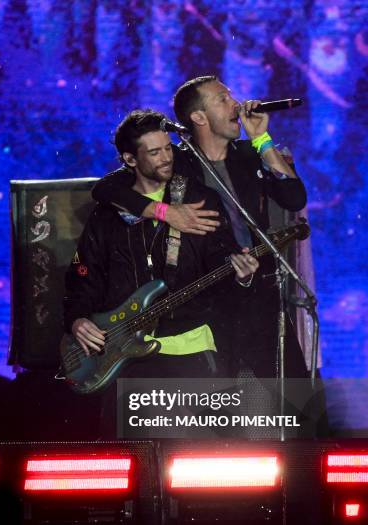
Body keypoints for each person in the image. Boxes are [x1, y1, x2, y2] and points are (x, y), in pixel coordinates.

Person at [91, 76, 308, 379]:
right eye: (223, 98)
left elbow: (294, 197)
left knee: (292, 399)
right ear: (198, 117)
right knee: (224, 404)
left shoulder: (249, 154)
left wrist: (262, 138)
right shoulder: (175, 161)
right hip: (207, 298)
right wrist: (166, 212)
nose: (236, 104)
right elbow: (106, 188)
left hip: (259, 290)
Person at [63, 110, 259, 435]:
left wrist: (242, 275)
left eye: (167, 148)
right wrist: (78, 318)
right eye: (154, 152)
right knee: (135, 454)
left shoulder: (197, 200)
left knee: (197, 456)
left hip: (191, 347)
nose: (166, 157)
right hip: (126, 353)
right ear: (130, 159)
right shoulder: (109, 214)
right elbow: (85, 277)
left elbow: (220, 262)